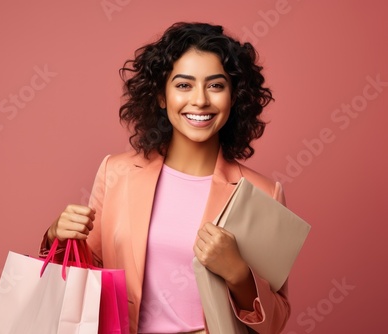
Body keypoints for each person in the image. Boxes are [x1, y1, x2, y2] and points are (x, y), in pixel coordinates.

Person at [40, 22, 290, 334]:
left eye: (216, 85)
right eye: (184, 85)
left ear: (234, 97)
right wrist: (55, 236)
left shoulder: (263, 192)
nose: (200, 100)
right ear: (161, 96)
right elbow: (84, 273)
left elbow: (276, 320)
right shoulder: (115, 172)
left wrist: (239, 273)